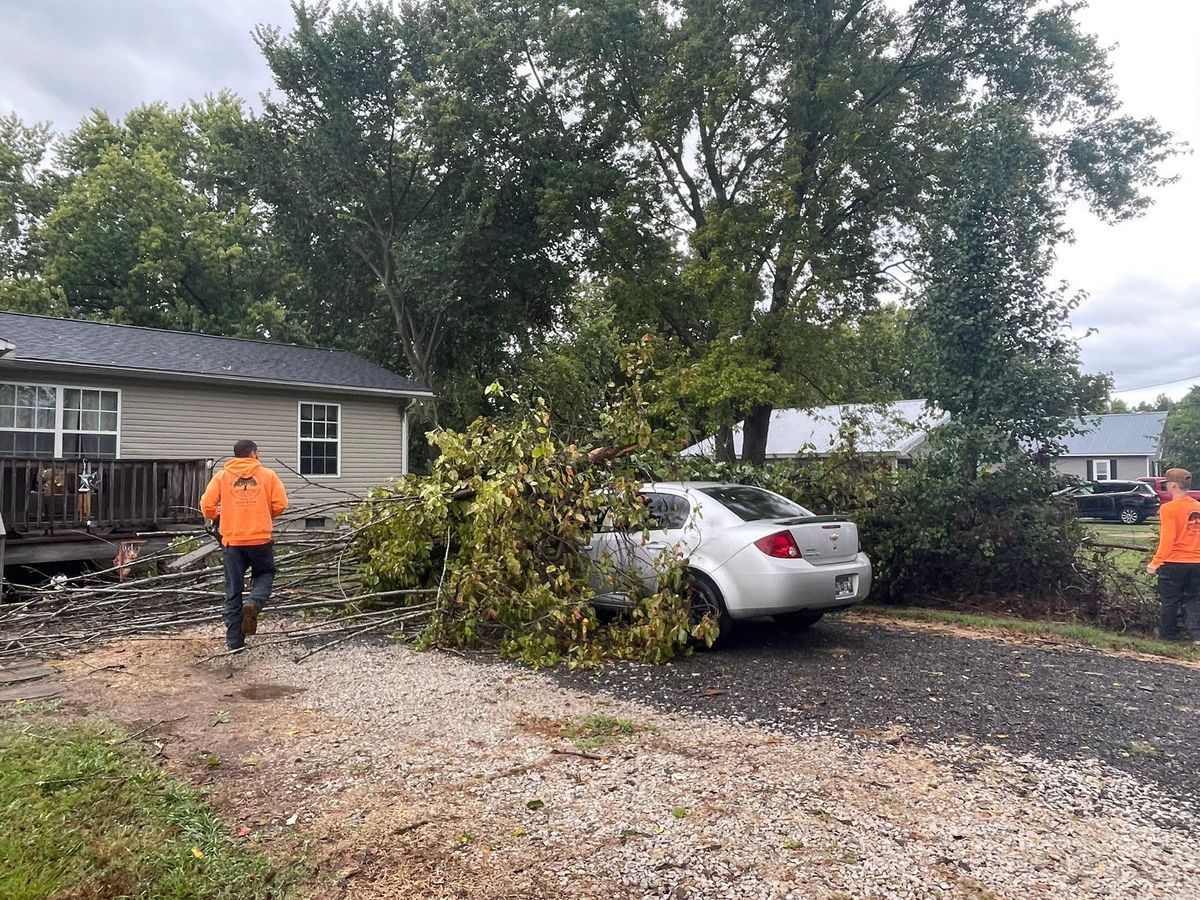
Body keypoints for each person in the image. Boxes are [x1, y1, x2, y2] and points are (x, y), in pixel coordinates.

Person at [201, 440, 289, 650]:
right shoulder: (268, 475)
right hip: (260, 539)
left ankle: (235, 643)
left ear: (235, 456)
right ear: (253, 454)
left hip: (233, 541)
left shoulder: (222, 476)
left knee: (233, 590)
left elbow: (206, 505)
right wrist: (264, 514)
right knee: (265, 574)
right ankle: (254, 603)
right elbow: (281, 504)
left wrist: (218, 516)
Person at [1146, 467, 1200, 643]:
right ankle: (1196, 636)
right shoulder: (1198, 506)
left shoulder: (1169, 509)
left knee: (1170, 600)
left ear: (1174, 485)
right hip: (1197, 562)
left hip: (1174, 562)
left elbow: (1168, 540)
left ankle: (1169, 636)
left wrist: (1155, 563)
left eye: (1167, 484)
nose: (1166, 487)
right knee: (1193, 599)